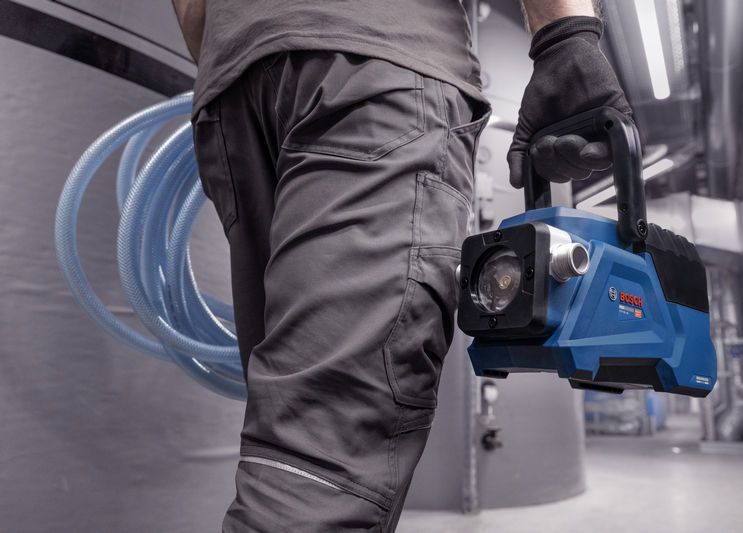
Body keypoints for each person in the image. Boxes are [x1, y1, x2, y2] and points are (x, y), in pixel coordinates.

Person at [171, 0, 632, 530]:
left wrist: (238, 50)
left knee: (288, 436)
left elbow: (191, 11)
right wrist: (565, 37)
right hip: (376, 59)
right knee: (319, 459)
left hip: (232, 93)